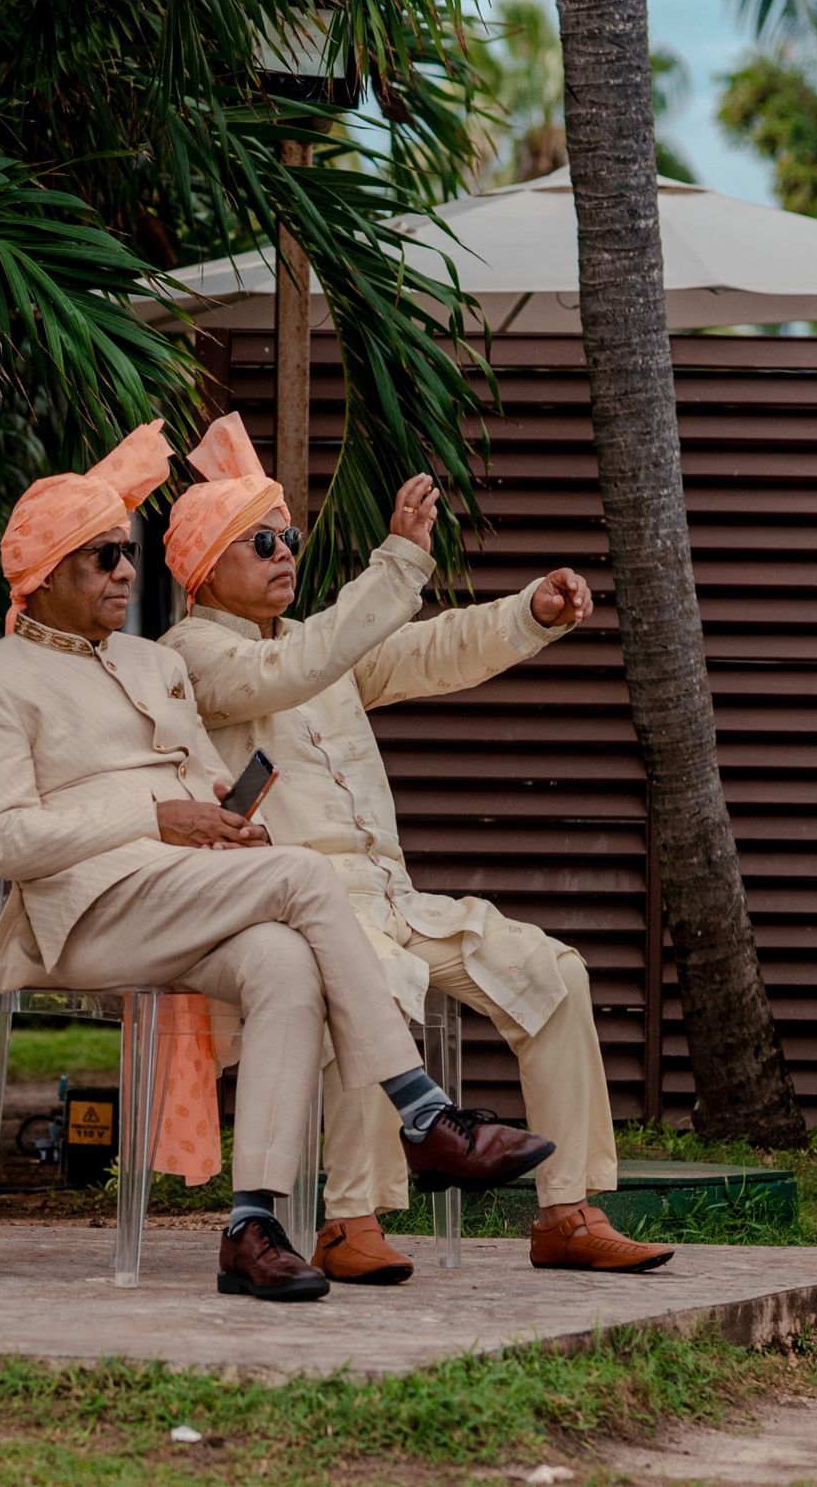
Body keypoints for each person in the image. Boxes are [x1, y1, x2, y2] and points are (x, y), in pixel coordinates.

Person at [0, 420, 556, 1303]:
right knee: (305, 875)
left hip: (187, 893)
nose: (125, 571)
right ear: (42, 577)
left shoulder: (155, 664)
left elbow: (204, 780)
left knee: (282, 961)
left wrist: (233, 823)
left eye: (127, 553)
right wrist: (155, 813)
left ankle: (251, 1225)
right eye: (102, 557)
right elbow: (7, 840)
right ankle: (424, 1112)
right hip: (85, 916)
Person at [159, 412, 673, 1282]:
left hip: (392, 896)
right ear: (208, 568)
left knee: (554, 973)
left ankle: (569, 1210)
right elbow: (293, 672)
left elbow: (426, 650)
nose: (286, 551)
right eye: (263, 541)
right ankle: (349, 1222)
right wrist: (397, 559)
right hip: (296, 907)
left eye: (288, 536)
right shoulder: (192, 654)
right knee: (377, 987)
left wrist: (530, 614)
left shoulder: (311, 643)